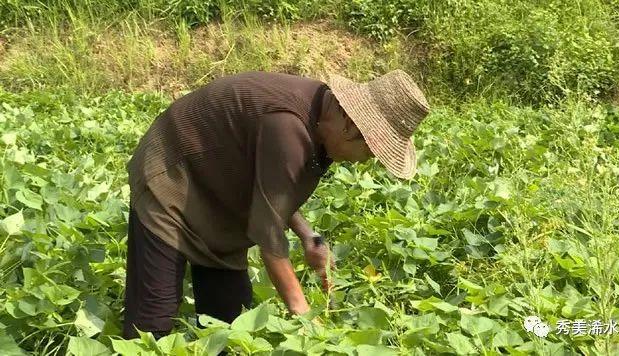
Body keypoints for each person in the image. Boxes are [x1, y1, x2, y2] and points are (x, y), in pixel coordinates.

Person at [123, 70, 429, 339]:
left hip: (221, 195)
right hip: (171, 178)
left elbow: (271, 185)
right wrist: (301, 311)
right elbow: (268, 235)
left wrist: (308, 236)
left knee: (230, 323)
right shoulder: (289, 126)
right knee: (153, 321)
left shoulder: (320, 116)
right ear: (351, 126)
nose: (363, 162)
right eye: (370, 152)